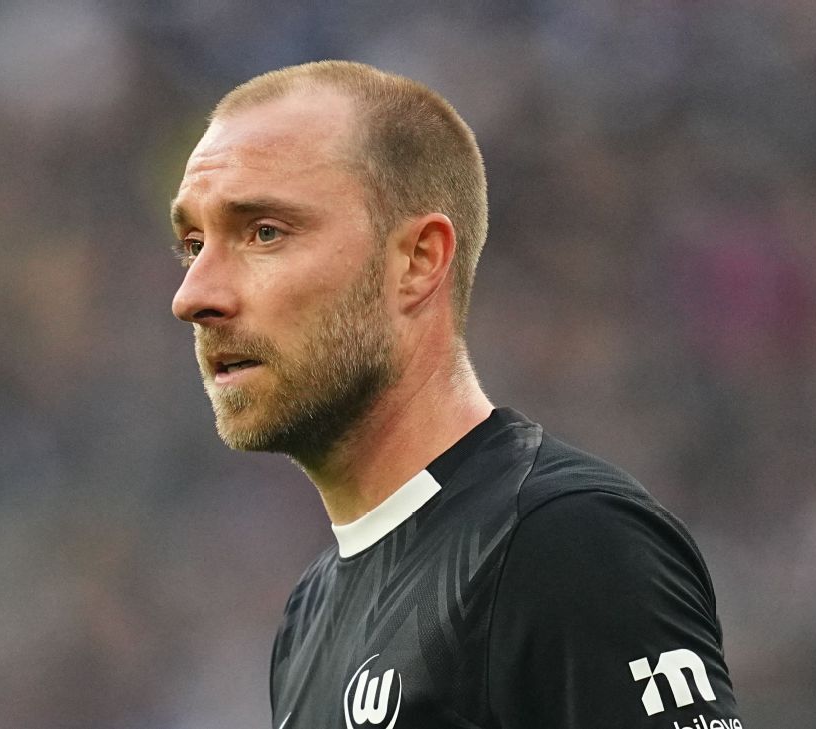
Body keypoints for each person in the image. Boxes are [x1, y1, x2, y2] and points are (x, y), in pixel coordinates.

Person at [169, 60, 743, 729]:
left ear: (417, 262)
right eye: (193, 244)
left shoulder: (561, 540)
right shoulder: (310, 615)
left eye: (264, 232)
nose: (193, 296)